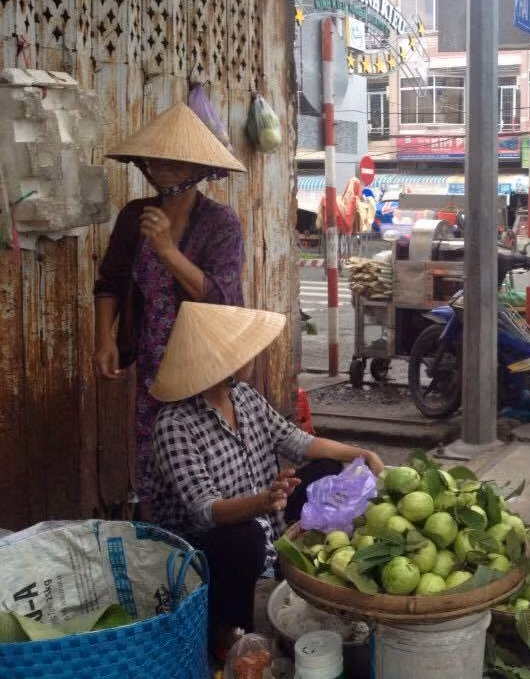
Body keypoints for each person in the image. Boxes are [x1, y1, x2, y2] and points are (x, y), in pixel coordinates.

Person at [149, 301, 385, 658]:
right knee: (241, 539)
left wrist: (357, 454)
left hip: (265, 511)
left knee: (326, 470)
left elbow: (298, 442)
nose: (253, 356)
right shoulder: (174, 425)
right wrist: (262, 501)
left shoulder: (244, 397)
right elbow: (206, 511)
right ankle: (228, 632)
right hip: (211, 541)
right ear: (220, 362)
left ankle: (293, 573)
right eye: (243, 351)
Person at [93, 102, 247, 517]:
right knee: (154, 450)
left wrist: (166, 249)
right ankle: (162, 534)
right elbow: (109, 282)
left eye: (175, 165)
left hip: (204, 361)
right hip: (152, 360)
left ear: (198, 170)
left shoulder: (221, 223)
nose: (163, 172)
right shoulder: (133, 217)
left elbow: (221, 298)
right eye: (156, 163)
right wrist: (105, 339)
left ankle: (212, 531)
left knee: (204, 453)